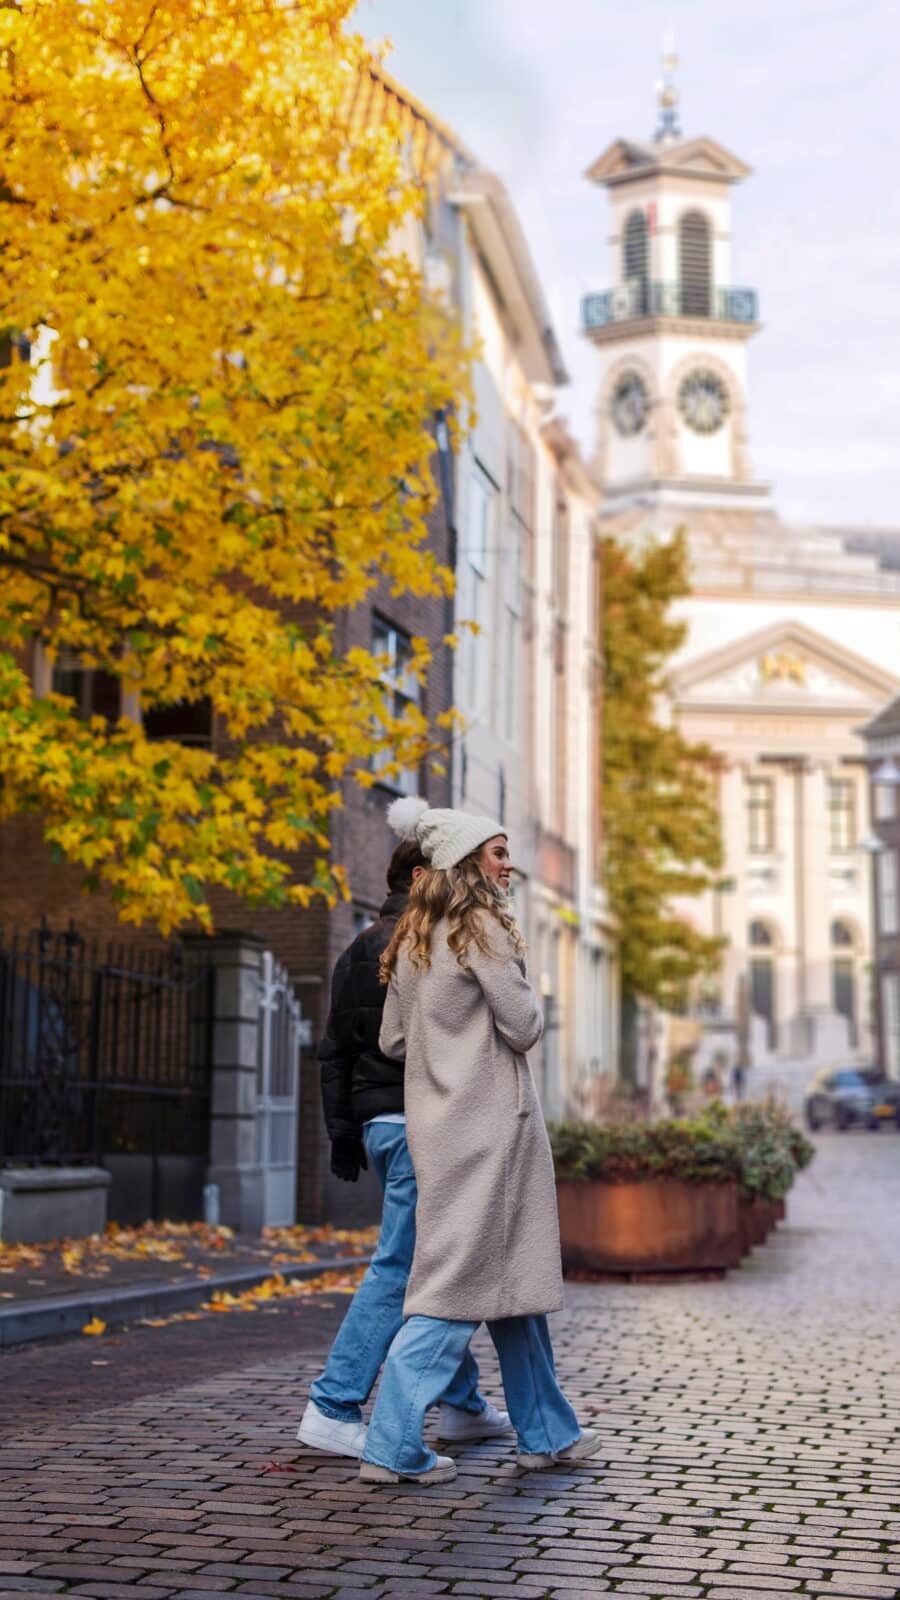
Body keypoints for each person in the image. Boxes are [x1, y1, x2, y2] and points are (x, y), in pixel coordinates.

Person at [358, 798, 603, 1485]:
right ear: (467, 863)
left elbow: (393, 1039)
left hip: (441, 1129)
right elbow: (522, 1025)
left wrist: (448, 1044)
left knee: (512, 1287)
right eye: (497, 852)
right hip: (492, 1131)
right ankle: (391, 1446)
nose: (508, 863)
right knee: (454, 1291)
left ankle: (547, 1433)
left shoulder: (412, 938)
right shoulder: (482, 930)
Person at [296, 823, 511, 1459]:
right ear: (422, 879)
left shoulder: (359, 945)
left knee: (431, 1266)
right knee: (403, 1268)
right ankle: (333, 1404)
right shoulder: (429, 943)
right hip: (423, 1124)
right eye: (450, 872)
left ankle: (464, 1404)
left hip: (380, 1126)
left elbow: (334, 1051)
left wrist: (344, 1133)